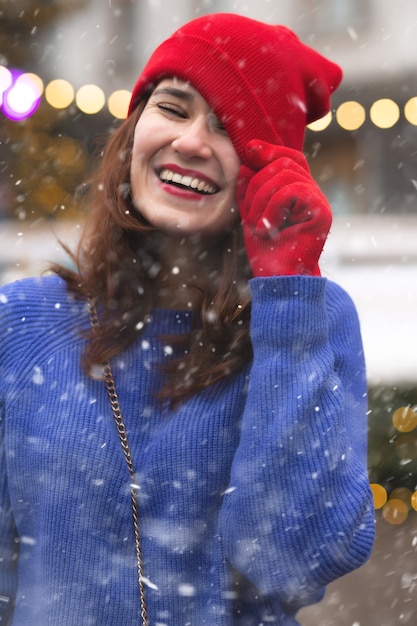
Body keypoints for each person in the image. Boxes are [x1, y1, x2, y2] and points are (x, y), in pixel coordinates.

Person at [0, 12, 375, 626]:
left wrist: (287, 295)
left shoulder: (312, 320)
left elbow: (296, 560)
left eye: (231, 128)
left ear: (268, 168)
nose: (193, 142)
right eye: (173, 108)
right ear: (133, 129)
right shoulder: (20, 325)